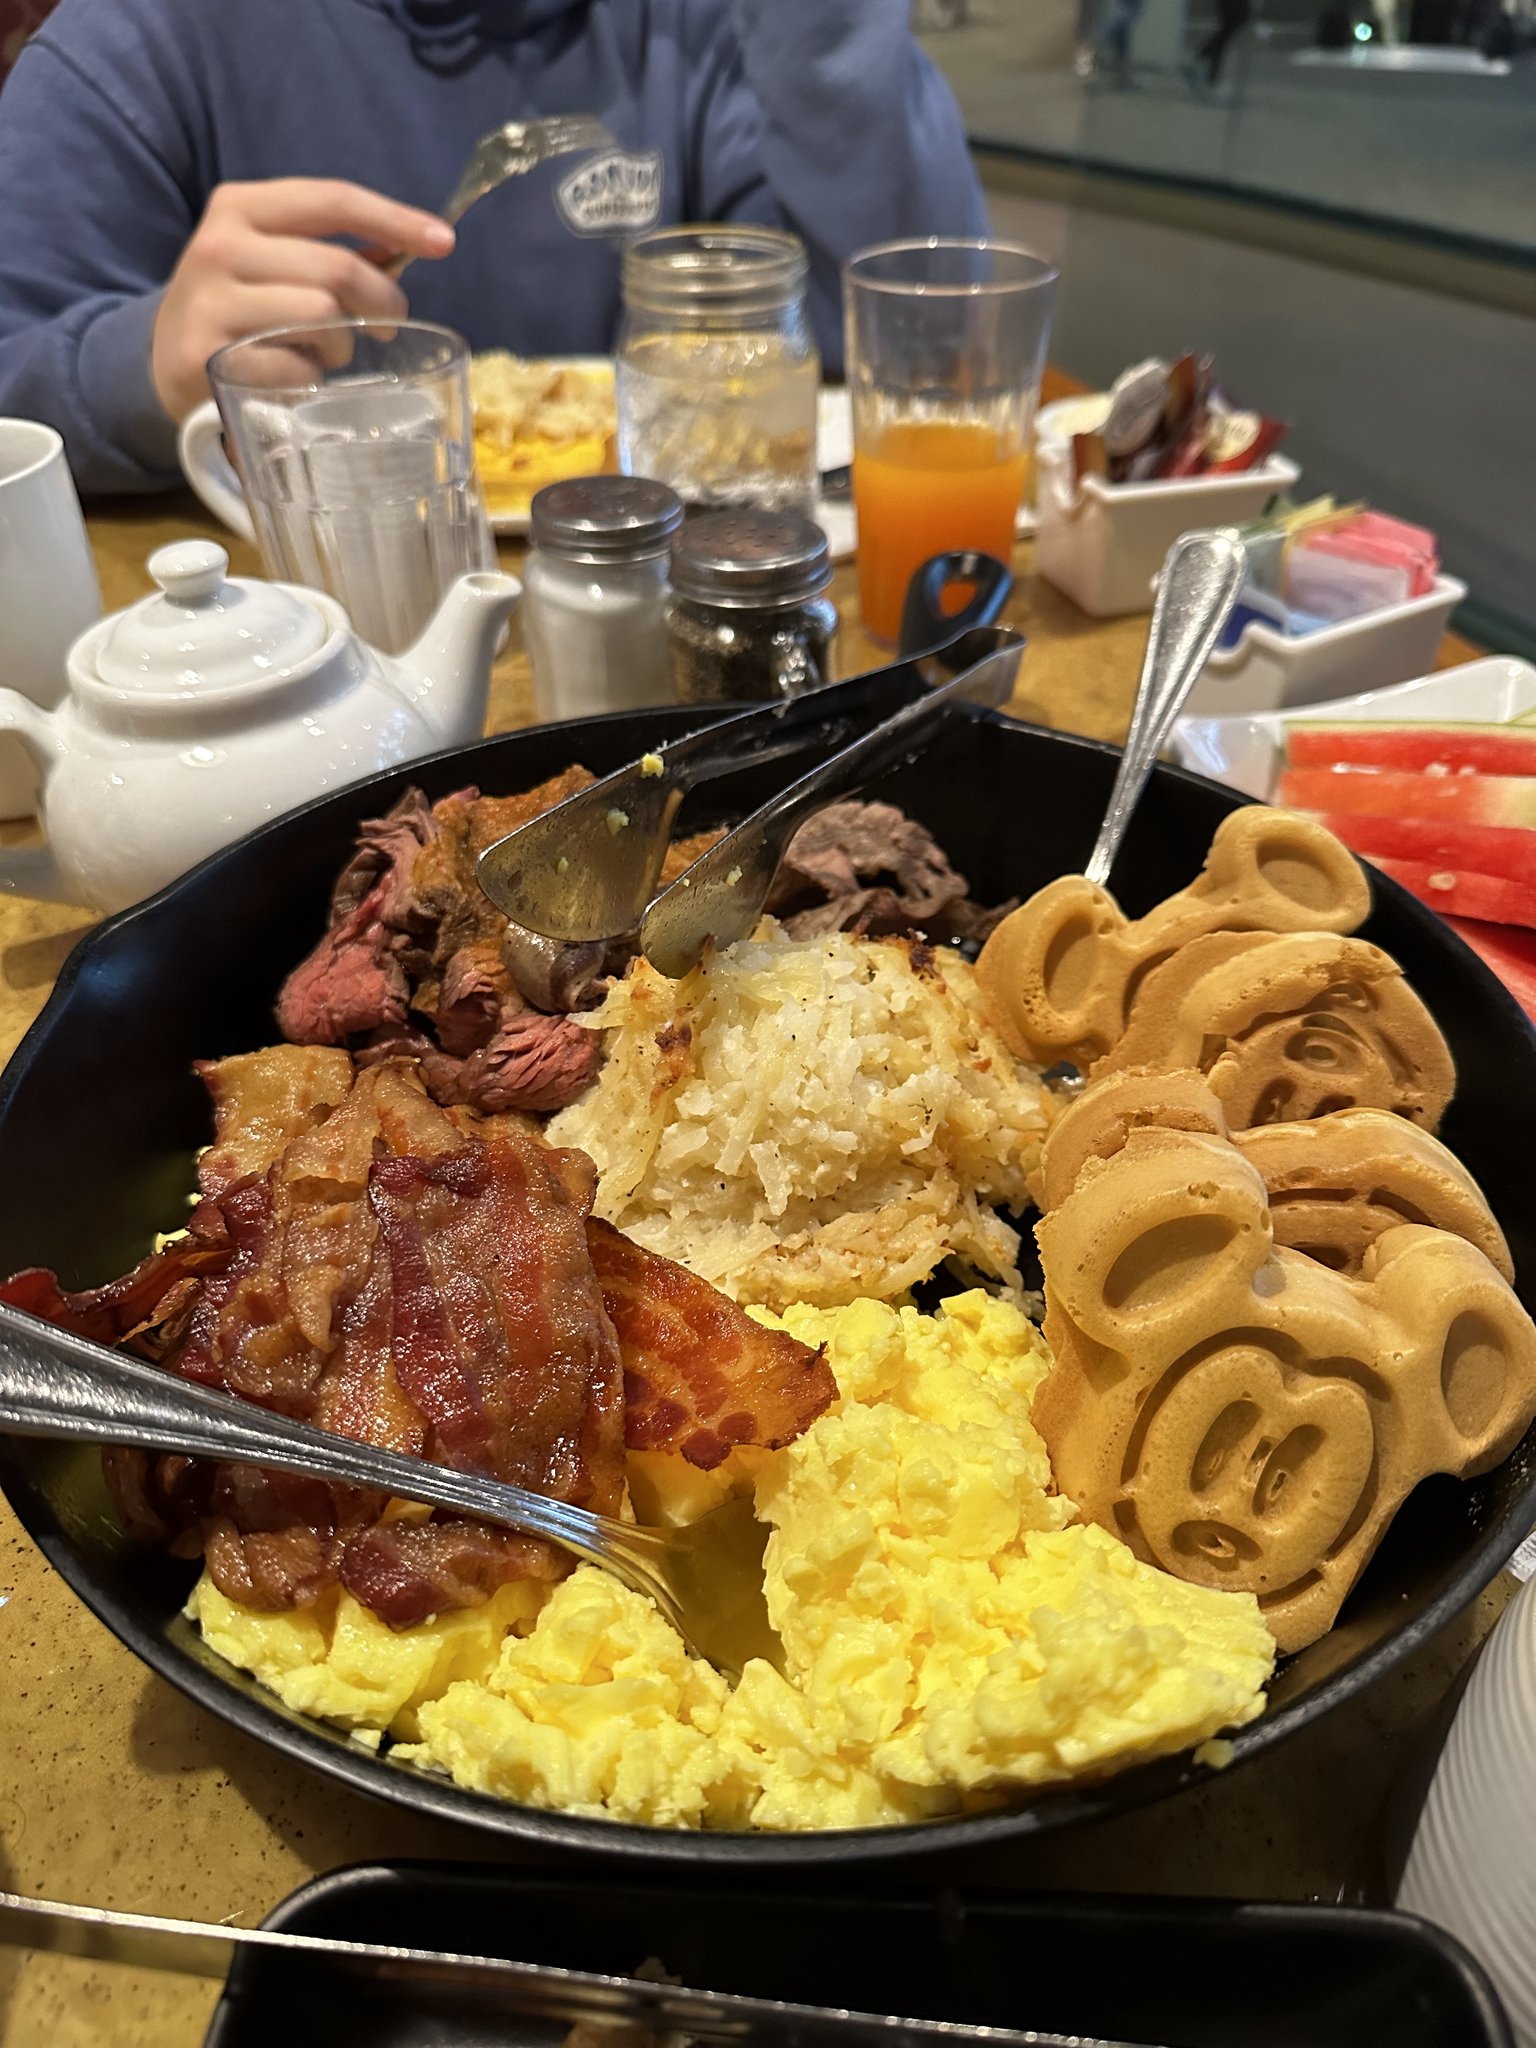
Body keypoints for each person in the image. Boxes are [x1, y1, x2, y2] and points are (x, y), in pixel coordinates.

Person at [0, 0, 987, 496]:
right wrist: (137, 369)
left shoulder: (699, 27)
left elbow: (921, 356)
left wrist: (832, 39)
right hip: (287, 679)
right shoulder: (136, 42)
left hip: (661, 643)